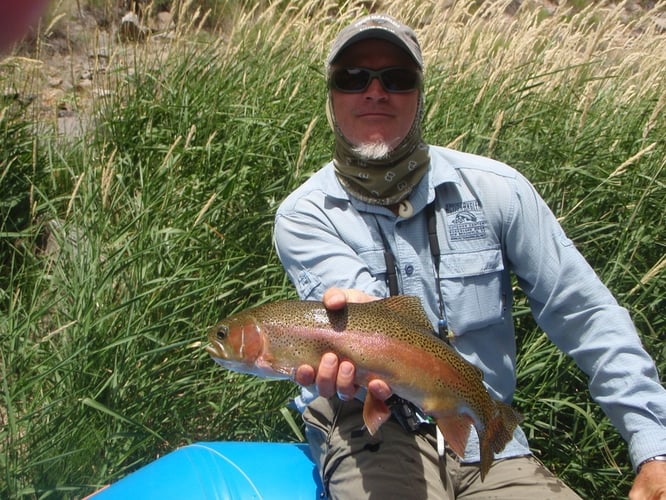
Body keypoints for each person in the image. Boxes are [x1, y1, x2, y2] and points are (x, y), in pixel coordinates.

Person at [273, 13, 666, 499]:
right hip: (369, 428)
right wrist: (365, 320)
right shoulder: (305, 214)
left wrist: (654, 447)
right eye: (352, 78)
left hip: (483, 427)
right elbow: (368, 315)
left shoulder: (499, 191)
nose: (375, 91)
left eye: (396, 78)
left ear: (420, 95)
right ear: (331, 96)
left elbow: (585, 313)